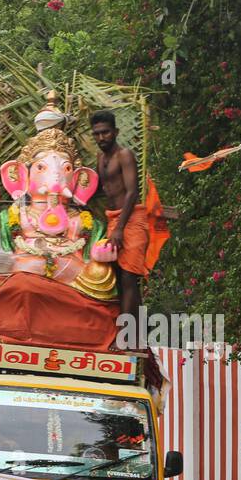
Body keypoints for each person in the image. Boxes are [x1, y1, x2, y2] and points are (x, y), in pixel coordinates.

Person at [92, 110, 147, 322]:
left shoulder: (124, 155)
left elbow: (133, 192)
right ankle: (138, 334)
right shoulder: (100, 158)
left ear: (115, 132)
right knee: (119, 279)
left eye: (105, 132)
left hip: (131, 219)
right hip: (113, 219)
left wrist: (120, 229)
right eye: (96, 134)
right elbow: (102, 188)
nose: (101, 138)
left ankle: (125, 336)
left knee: (128, 277)